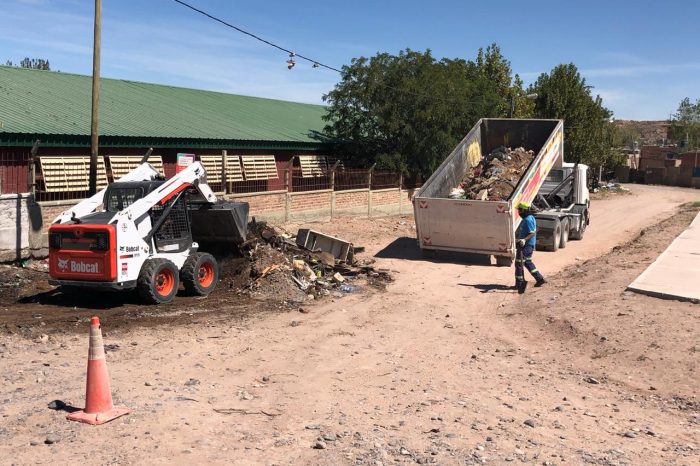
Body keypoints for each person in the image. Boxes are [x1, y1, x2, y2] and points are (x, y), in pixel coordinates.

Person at [514, 202, 546, 294]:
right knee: (527, 262)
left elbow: (532, 232)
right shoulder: (529, 218)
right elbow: (536, 229)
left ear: (524, 210)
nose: (519, 212)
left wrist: (524, 240)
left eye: (520, 210)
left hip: (526, 245)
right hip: (527, 245)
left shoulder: (528, 219)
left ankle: (520, 284)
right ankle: (539, 279)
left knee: (519, 264)